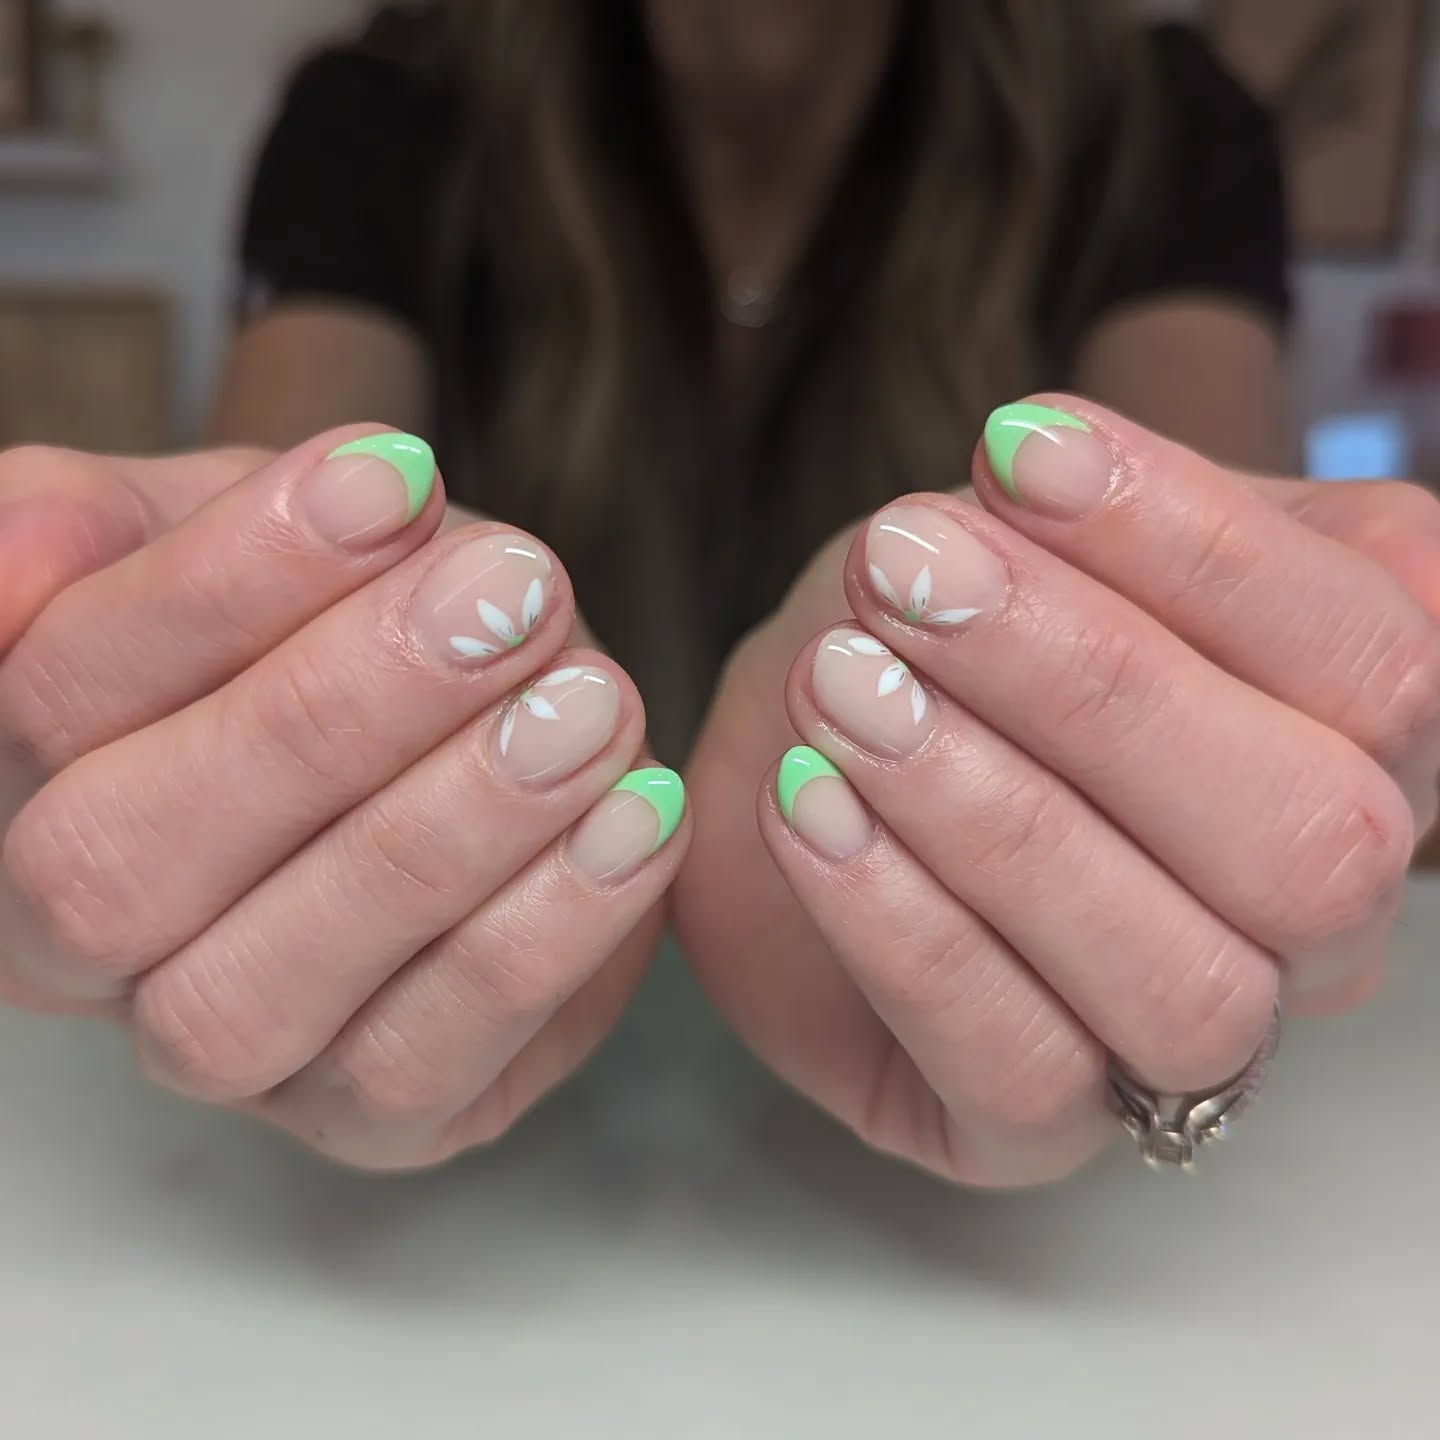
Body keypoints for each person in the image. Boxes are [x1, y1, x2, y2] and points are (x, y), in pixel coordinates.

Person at [0, 0, 1434, 1184]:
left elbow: (1208, 682)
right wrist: (221, 719)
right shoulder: (381, 109)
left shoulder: (1158, 120)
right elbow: (285, 564)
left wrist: (1212, 865)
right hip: (482, 1198)